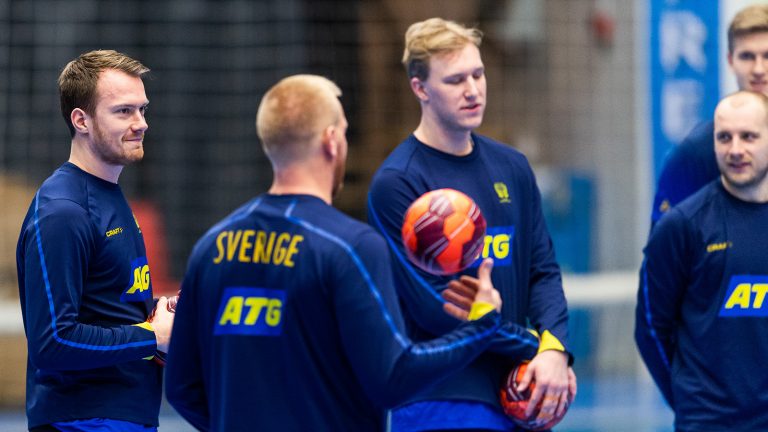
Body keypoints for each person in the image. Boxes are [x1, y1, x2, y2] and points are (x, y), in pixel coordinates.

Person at [164, 74, 508, 432]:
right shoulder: (350, 246)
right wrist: (480, 326)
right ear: (331, 141)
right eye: (343, 131)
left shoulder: (211, 247)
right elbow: (394, 377)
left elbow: (183, 388)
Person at [367, 18, 576, 431]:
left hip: (519, 395)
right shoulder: (398, 183)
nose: (473, 90)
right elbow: (434, 308)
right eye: (455, 80)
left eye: (478, 74)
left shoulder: (511, 166)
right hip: (442, 398)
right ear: (420, 88)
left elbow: (543, 271)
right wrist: (538, 349)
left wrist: (555, 348)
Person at [15, 50, 175, 432]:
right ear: (81, 120)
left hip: (122, 414)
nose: (141, 123)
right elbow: (52, 342)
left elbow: (108, 304)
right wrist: (150, 337)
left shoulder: (108, 193)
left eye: (142, 109)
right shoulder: (63, 211)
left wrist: (159, 312)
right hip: (83, 421)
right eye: (123, 111)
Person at [636, 90, 768, 430]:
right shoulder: (682, 226)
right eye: (724, 137)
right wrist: (689, 398)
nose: (735, 149)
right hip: (709, 422)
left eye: (749, 137)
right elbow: (650, 328)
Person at [651, 4, 768, 226]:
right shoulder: (696, 152)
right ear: (730, 61)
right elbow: (663, 250)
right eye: (747, 56)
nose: (759, 69)